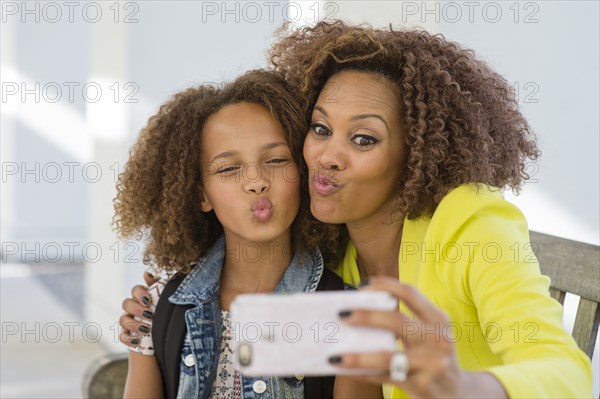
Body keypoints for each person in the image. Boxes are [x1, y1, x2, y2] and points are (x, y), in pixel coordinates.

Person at [121, 20, 593, 398]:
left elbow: (565, 372)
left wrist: (464, 387)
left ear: (416, 154)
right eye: (321, 129)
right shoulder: (331, 250)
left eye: (364, 139)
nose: (327, 156)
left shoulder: (470, 222)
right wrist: (158, 314)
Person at [113, 69, 376, 399]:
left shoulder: (353, 318)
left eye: (277, 159)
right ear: (200, 195)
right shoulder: (156, 310)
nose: (256, 180)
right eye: (228, 168)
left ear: (303, 171)